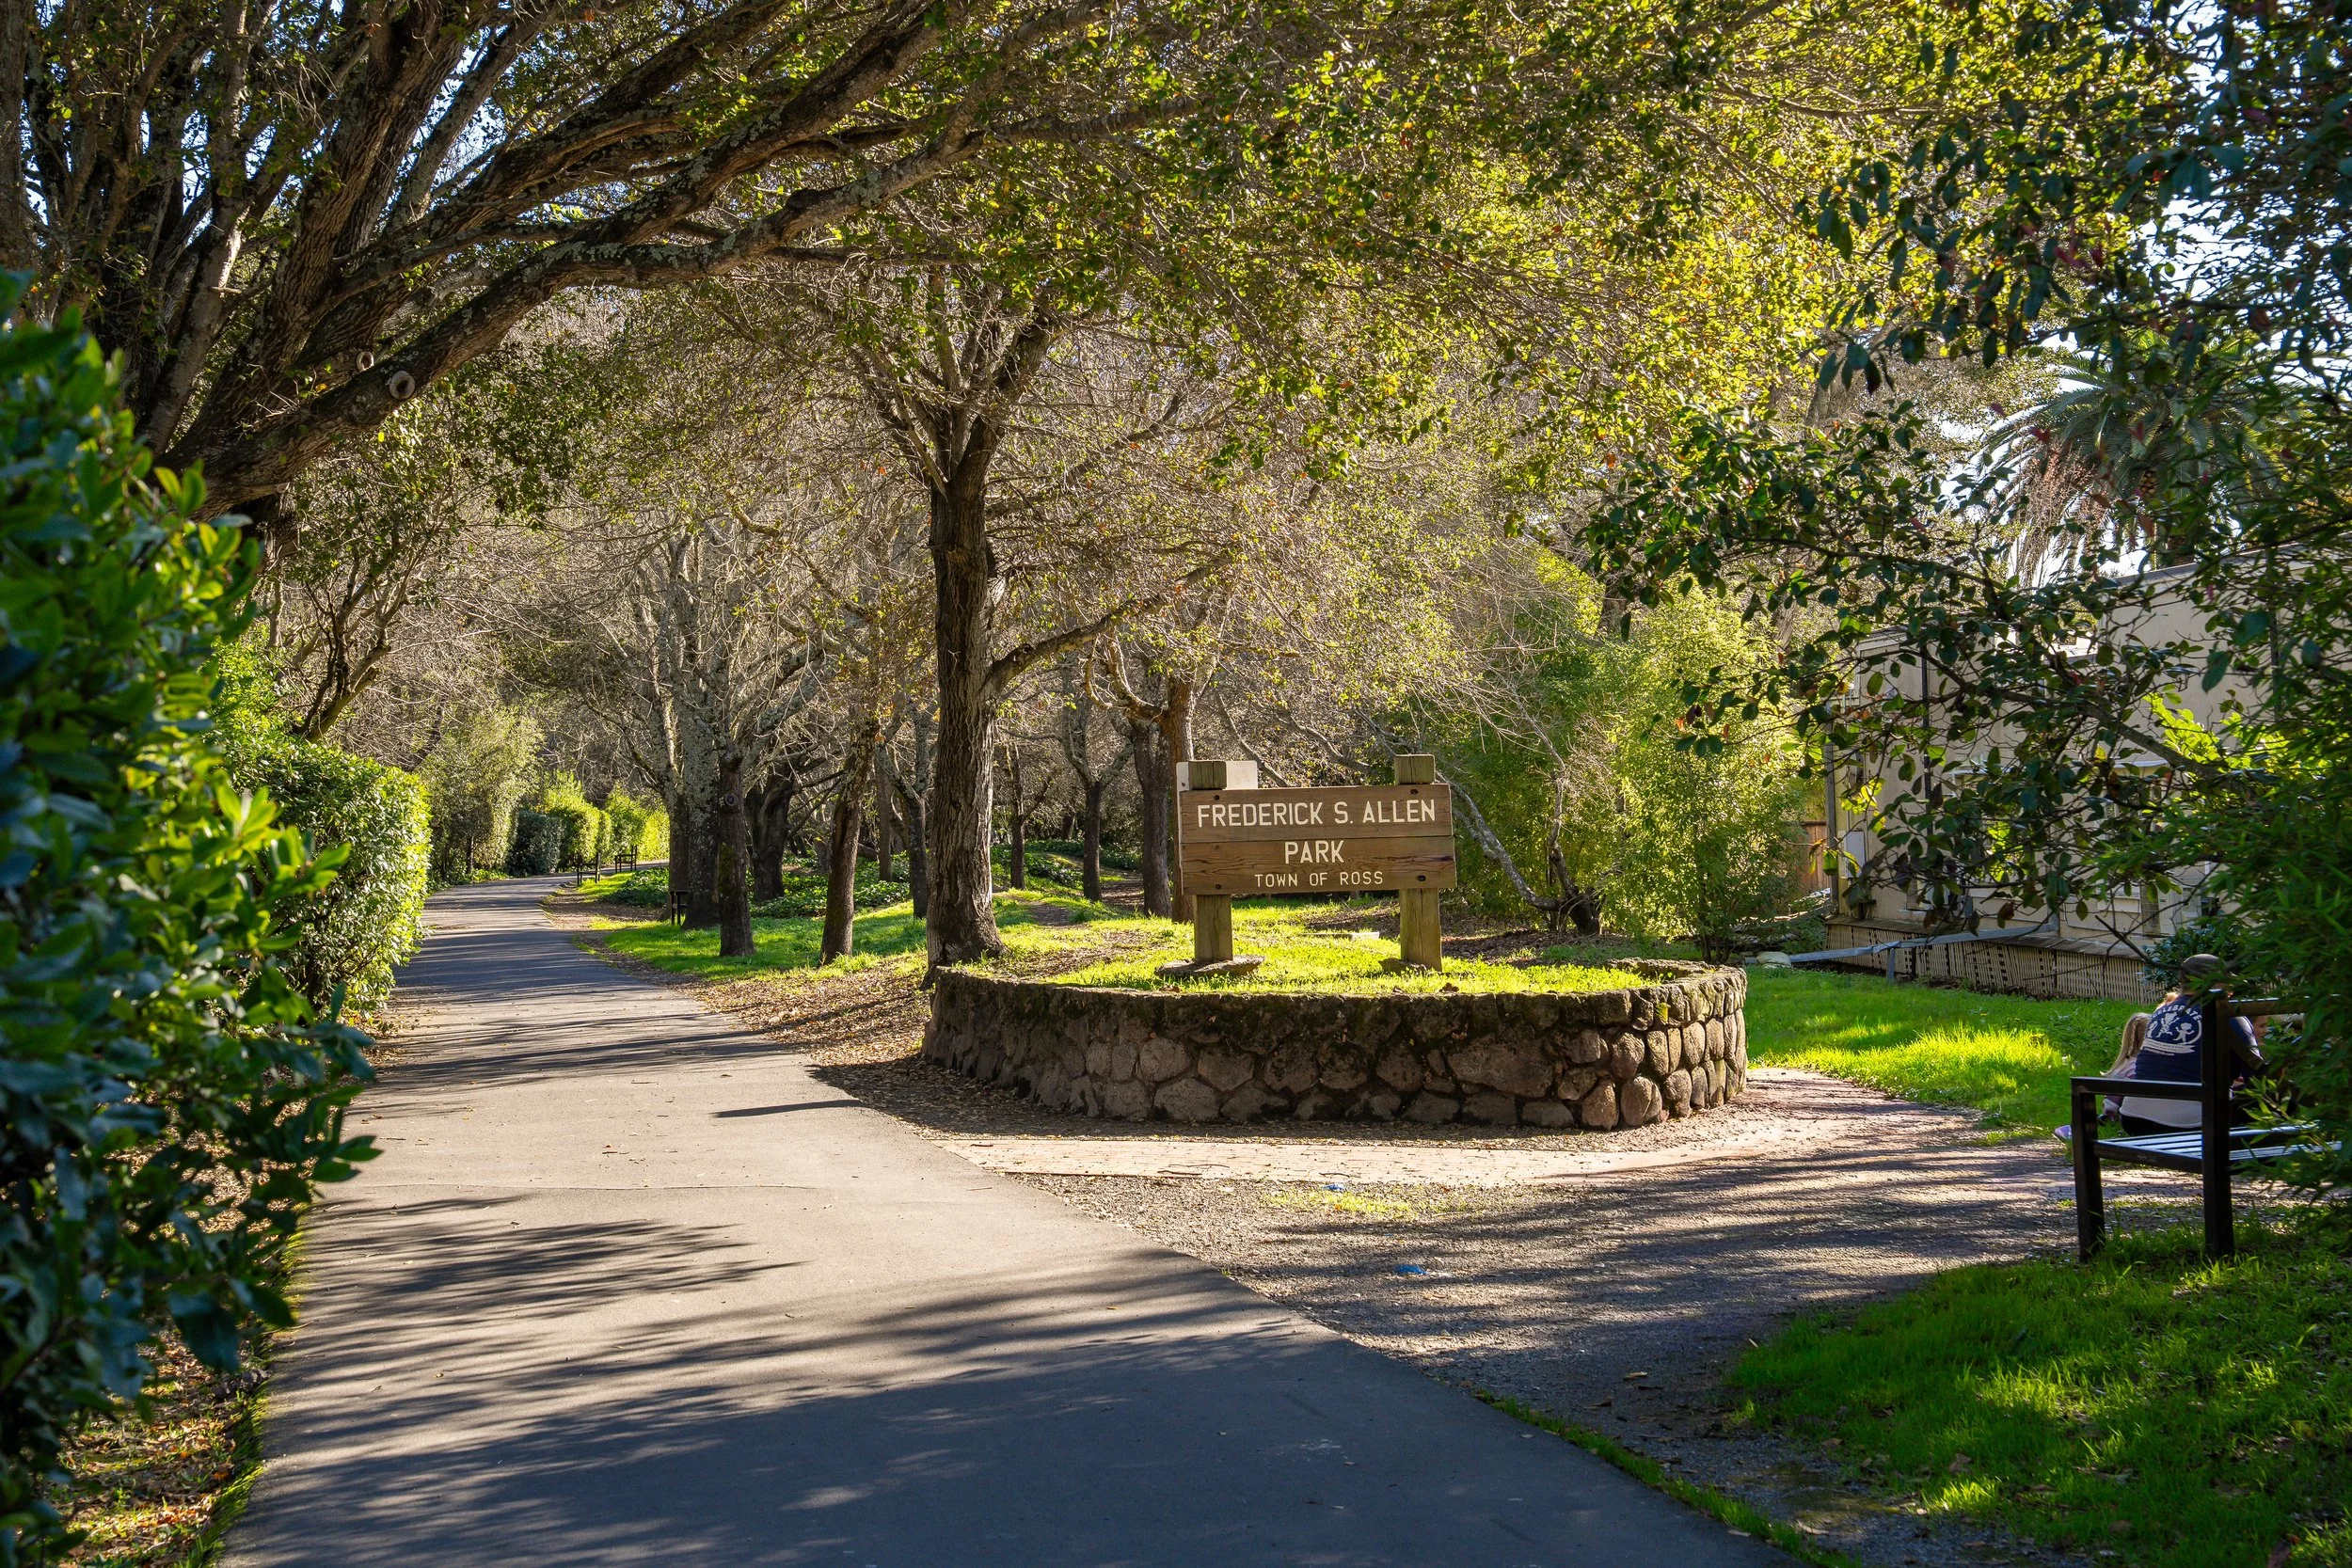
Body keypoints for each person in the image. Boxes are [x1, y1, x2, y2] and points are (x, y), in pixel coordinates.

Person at [2115, 990, 2265, 1134]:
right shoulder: (2228, 1015)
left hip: (2132, 1118)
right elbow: (2258, 1078)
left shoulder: (2162, 1011)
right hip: (2188, 1124)